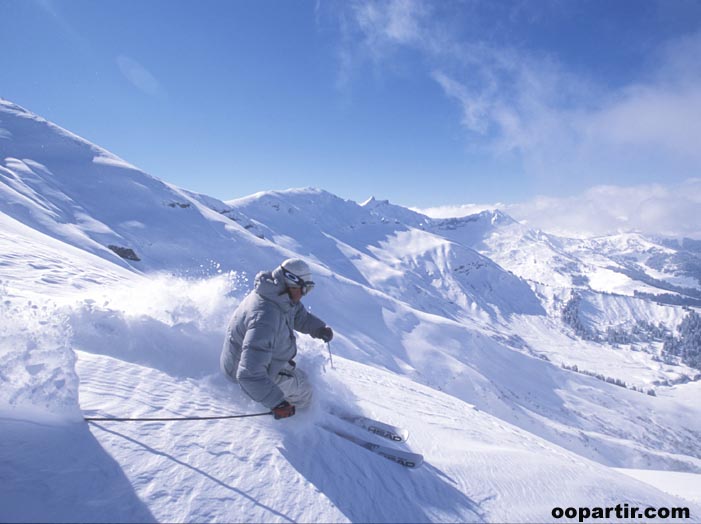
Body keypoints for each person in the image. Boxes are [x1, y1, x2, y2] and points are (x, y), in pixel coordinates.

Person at [220, 258, 333, 419]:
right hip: (246, 375)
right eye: (304, 289)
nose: (303, 295)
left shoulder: (278, 295)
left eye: (308, 289)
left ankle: (294, 398)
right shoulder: (265, 319)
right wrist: (277, 403)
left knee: (302, 379)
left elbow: (298, 315)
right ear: (291, 283)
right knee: (306, 391)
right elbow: (248, 374)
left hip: (261, 361)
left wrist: (319, 329)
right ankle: (305, 419)